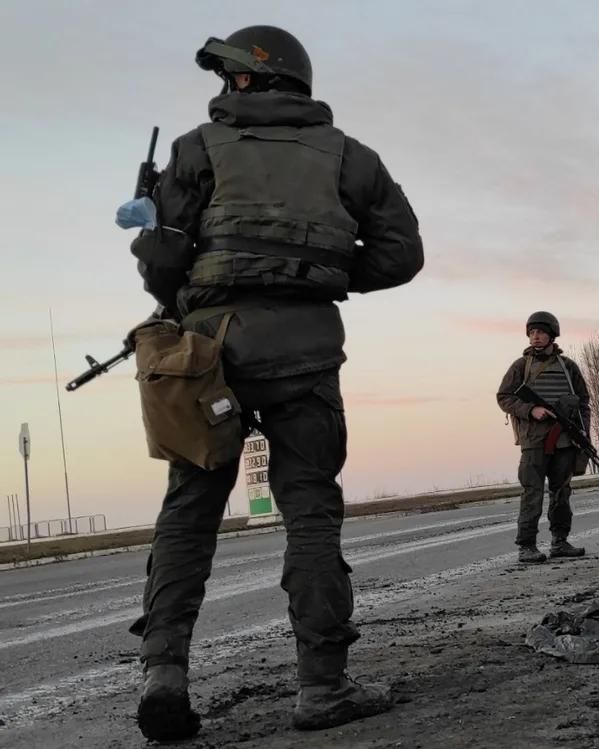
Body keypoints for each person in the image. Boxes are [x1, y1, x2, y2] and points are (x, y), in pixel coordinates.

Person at [123, 25, 424, 741]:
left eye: (231, 76)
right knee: (310, 513)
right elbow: (402, 254)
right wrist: (317, 274)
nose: (225, 88)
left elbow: (161, 258)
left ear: (252, 79)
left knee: (189, 512)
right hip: (306, 354)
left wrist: (187, 286)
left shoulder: (195, 149)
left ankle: (165, 673)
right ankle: (323, 687)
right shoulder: (353, 156)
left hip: (208, 356)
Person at [496, 312, 591, 564]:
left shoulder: (567, 366)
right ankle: (526, 546)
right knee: (532, 493)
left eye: (540, 332)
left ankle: (560, 542)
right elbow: (504, 397)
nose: (535, 337)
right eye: (532, 333)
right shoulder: (521, 366)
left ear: (551, 335)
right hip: (534, 440)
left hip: (564, 440)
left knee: (561, 493)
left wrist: (584, 434)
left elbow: (583, 402)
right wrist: (530, 410)